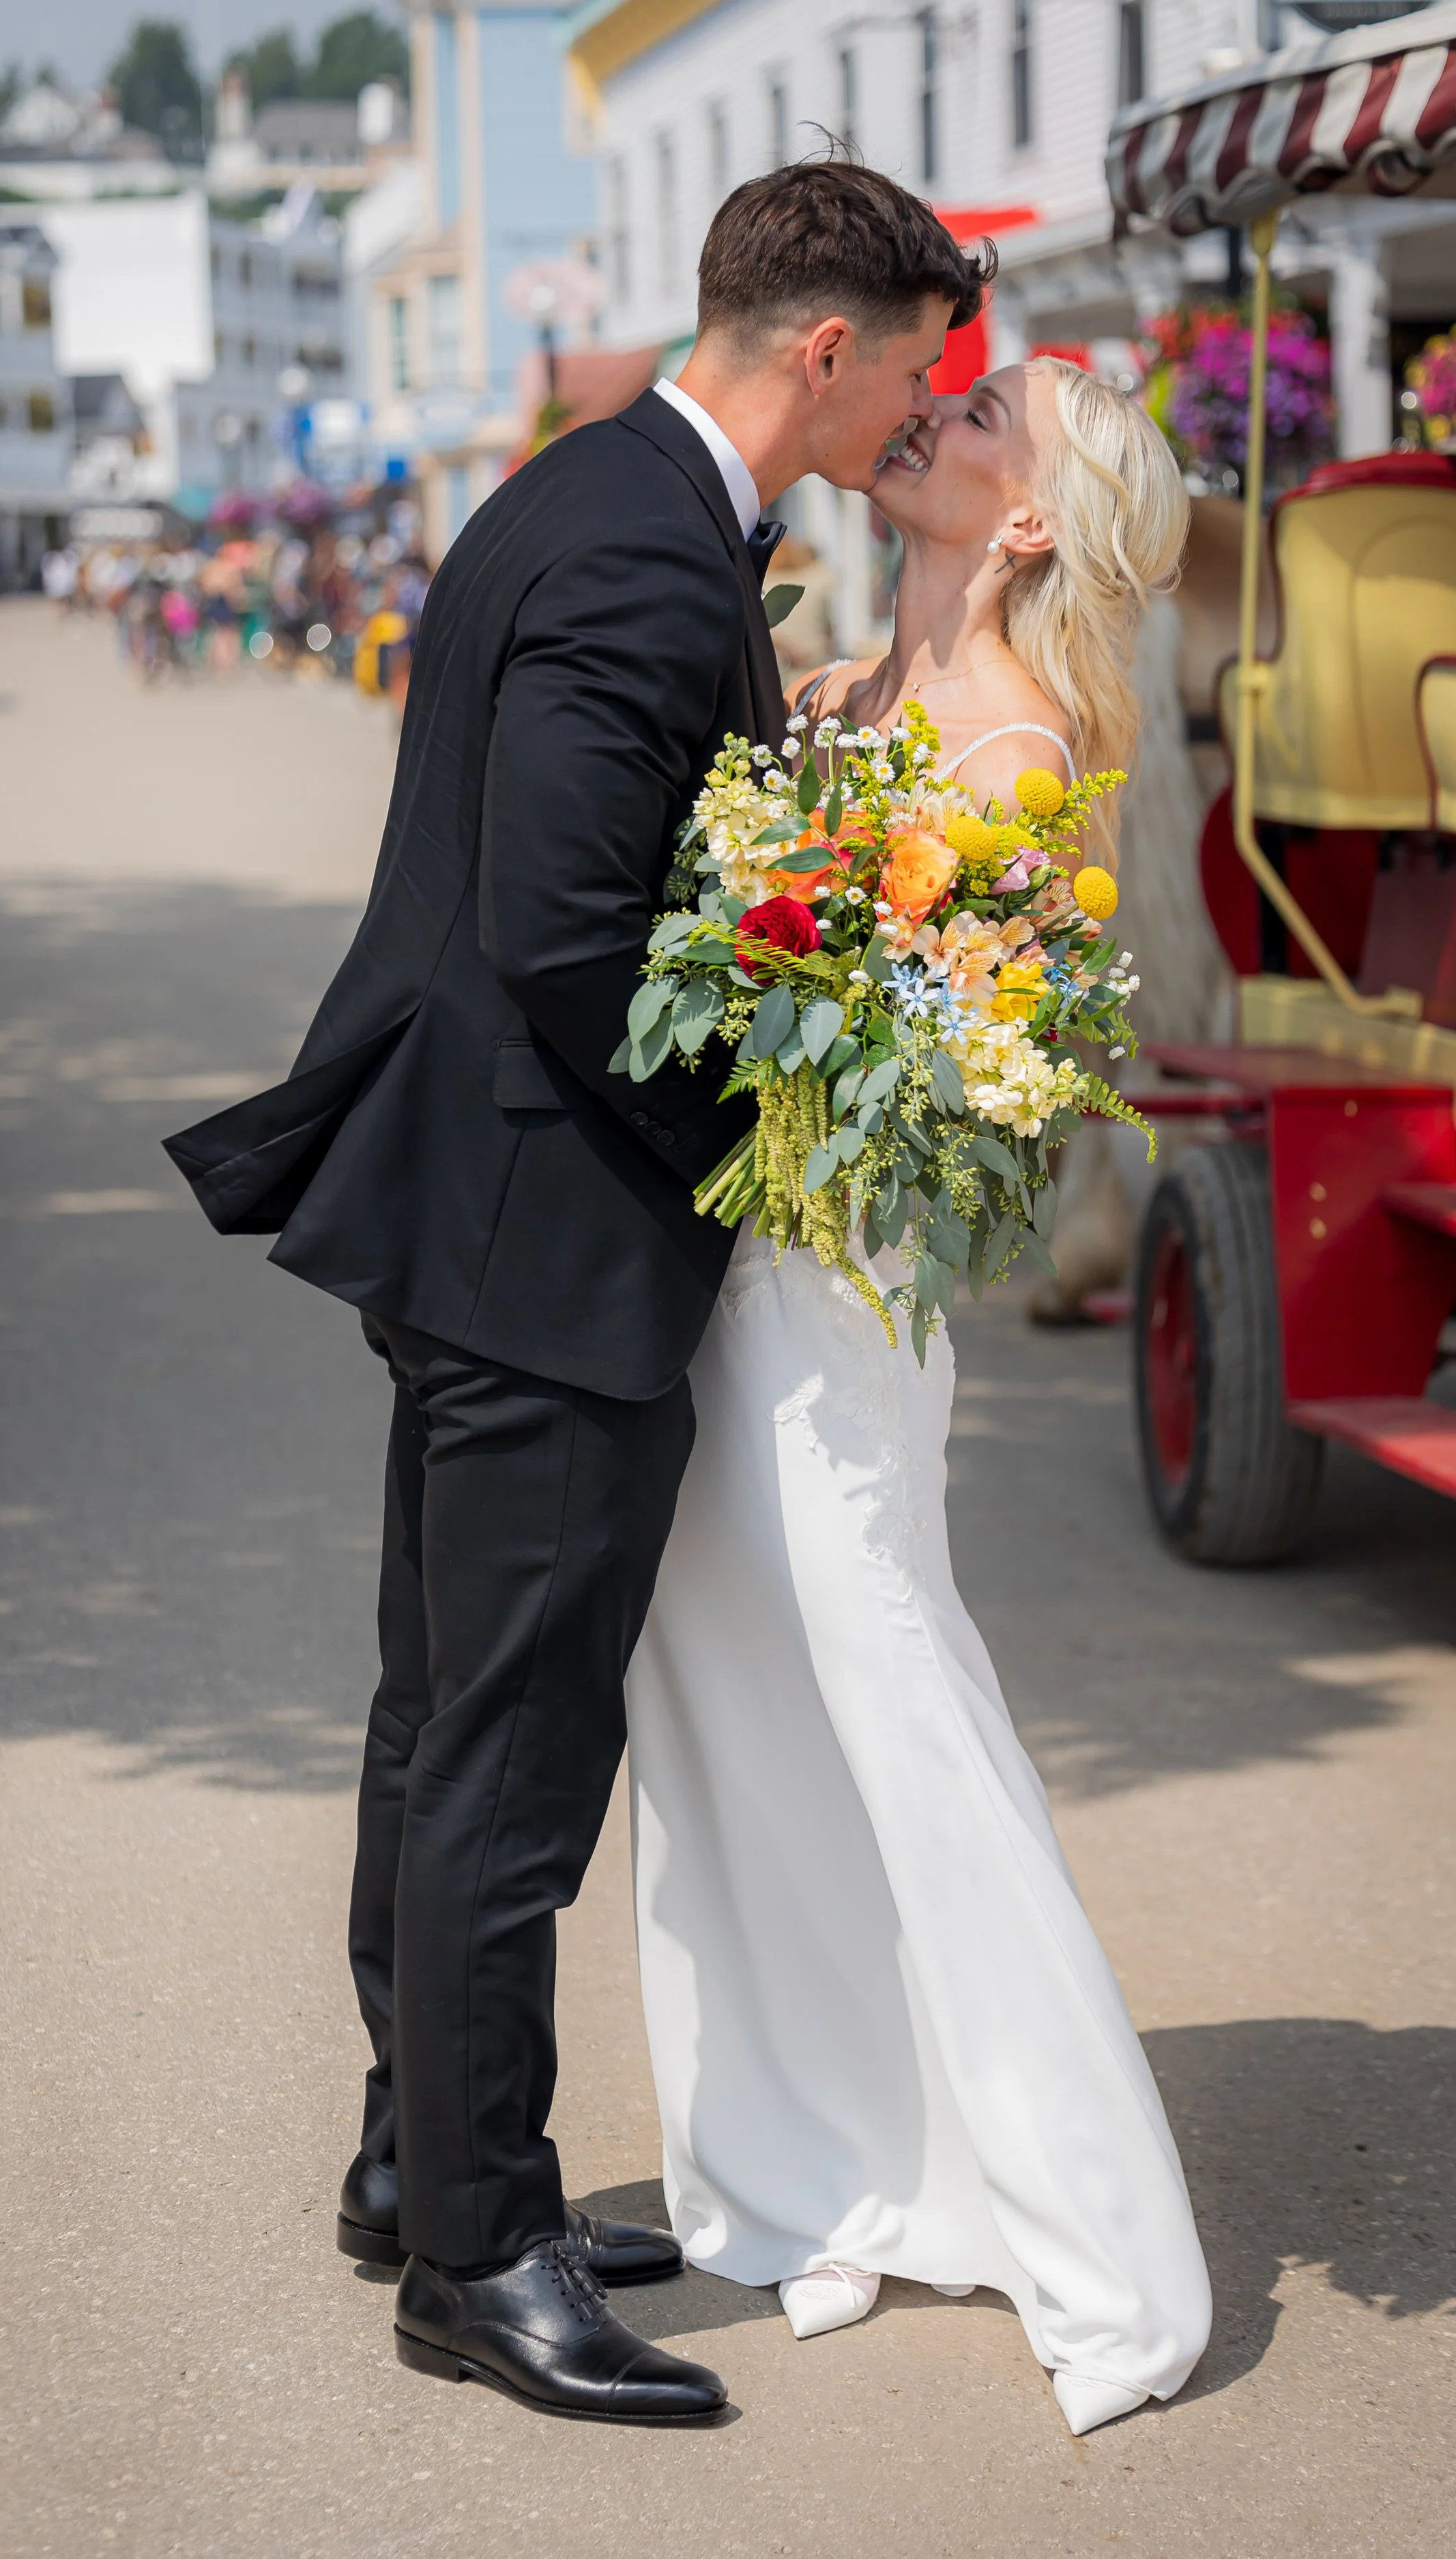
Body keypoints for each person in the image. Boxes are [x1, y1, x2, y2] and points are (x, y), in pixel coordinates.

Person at [165, 159, 987, 2427]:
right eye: (917, 361)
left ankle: (413, 2155)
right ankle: (478, 2250)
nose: (927, 400)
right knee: (505, 1758)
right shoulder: (642, 542)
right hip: (543, 1236)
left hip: (473, 1211)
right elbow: (565, 931)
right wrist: (786, 1128)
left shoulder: (594, 488)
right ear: (826, 344)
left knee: (437, 1720)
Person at [626, 358, 1212, 2438]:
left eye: (984, 425)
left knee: (888, 1688)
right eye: (946, 397)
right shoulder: (832, 679)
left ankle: (1088, 2221)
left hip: (842, 1290)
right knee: (720, 1691)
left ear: (1028, 522)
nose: (936, 422)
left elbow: (971, 1050)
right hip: (732, 1261)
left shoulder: (1022, 741)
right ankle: (822, 2161)